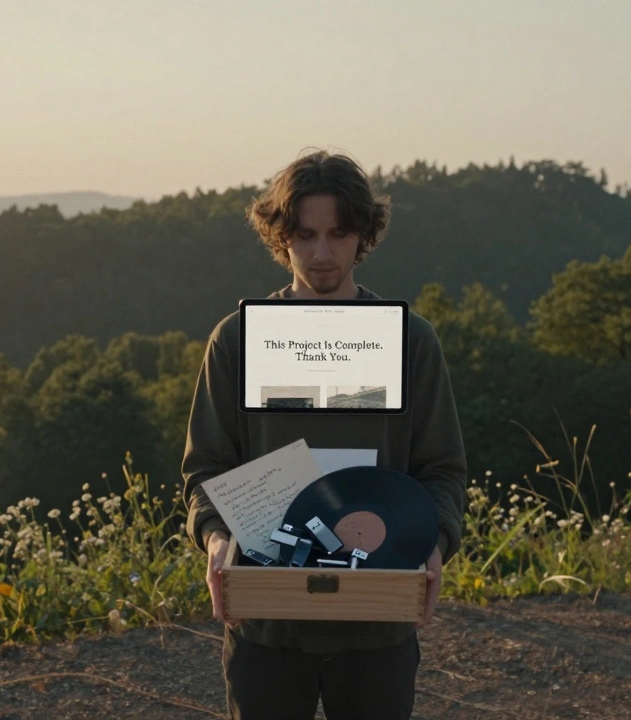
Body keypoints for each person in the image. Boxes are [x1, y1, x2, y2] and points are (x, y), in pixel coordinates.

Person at [181, 149, 468, 720]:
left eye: (338, 234)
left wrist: (434, 543)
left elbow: (441, 469)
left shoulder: (412, 341)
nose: (320, 254)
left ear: (362, 234)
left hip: (376, 624)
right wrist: (216, 540)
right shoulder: (236, 340)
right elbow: (206, 468)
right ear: (280, 235)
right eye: (305, 235)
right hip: (268, 625)